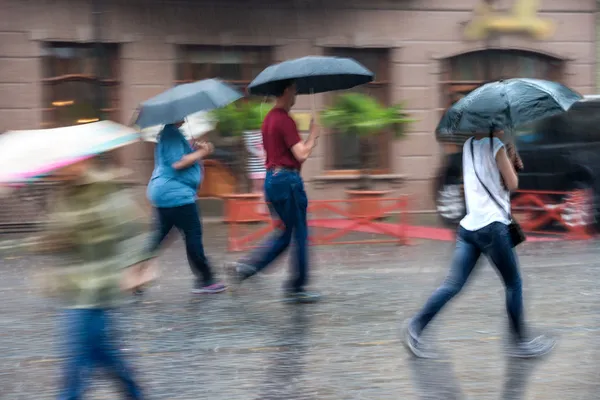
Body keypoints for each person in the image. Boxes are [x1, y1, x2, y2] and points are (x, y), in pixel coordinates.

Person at [402, 128, 555, 358]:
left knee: (452, 284)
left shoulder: (469, 146)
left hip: (469, 227)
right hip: (493, 227)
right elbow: (512, 184)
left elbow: (485, 178)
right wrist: (509, 155)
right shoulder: (496, 146)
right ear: (493, 123)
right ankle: (520, 342)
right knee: (514, 284)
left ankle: (415, 327)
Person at [40, 158, 153, 400]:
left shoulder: (105, 190)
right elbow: (55, 237)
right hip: (75, 288)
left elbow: (131, 232)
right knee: (104, 355)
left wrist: (133, 268)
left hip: (101, 286)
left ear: (83, 162)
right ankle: (134, 394)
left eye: (69, 163)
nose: (62, 168)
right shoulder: (62, 197)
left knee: (78, 361)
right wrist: (53, 241)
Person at [227, 80, 321, 303]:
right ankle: (296, 287)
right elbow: (301, 154)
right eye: (295, 89)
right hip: (287, 182)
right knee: (300, 234)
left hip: (273, 180)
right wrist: (313, 136)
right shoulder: (284, 120)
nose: (297, 93)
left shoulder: (269, 118)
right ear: (287, 90)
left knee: (285, 234)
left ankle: (245, 268)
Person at [145, 122, 225, 294]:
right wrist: (202, 152)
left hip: (167, 193)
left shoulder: (170, 133)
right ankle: (205, 280)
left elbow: (178, 158)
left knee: (157, 237)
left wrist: (193, 149)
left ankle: (133, 274)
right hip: (177, 195)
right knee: (193, 234)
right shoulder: (171, 133)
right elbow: (178, 163)